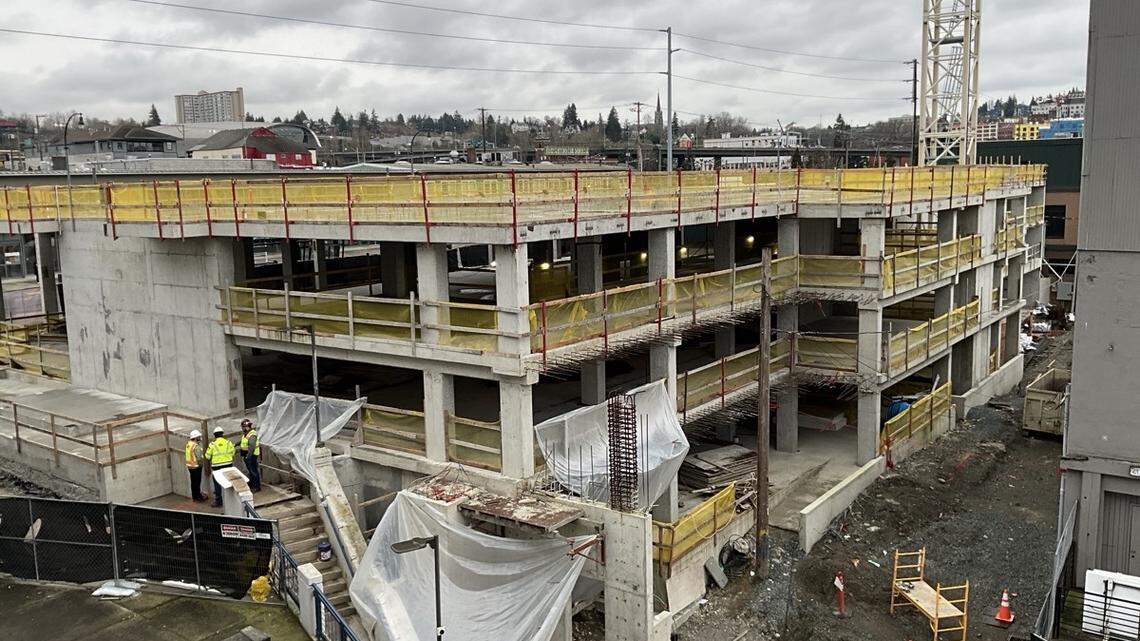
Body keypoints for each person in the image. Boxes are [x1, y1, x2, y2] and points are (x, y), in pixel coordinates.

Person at [203, 425, 235, 507]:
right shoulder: (228, 443)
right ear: (222, 434)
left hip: (216, 467)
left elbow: (207, 456)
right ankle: (231, 500)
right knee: (229, 481)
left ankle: (218, 501)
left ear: (215, 435)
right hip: (228, 465)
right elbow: (233, 453)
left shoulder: (212, 444)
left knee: (217, 483)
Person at [239, 418, 261, 492]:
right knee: (251, 471)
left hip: (252, 456)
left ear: (246, 426)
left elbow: (252, 446)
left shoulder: (252, 434)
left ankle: (256, 487)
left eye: (243, 427)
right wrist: (236, 444)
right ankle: (252, 484)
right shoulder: (247, 434)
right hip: (248, 455)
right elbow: (243, 441)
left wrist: (249, 456)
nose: (242, 428)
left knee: (253, 471)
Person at [184, 430, 206, 502]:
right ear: (196, 437)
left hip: (190, 466)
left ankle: (194, 496)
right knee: (197, 482)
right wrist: (201, 463)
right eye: (199, 437)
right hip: (196, 466)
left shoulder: (188, 444)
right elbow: (199, 457)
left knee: (193, 482)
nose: (200, 437)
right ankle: (198, 497)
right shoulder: (196, 446)